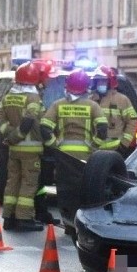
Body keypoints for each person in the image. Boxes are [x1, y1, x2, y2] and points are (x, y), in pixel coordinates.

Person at [42, 69, 108, 233]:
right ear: (86, 87)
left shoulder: (58, 105)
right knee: (82, 190)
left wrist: (55, 145)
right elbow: (102, 129)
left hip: (64, 156)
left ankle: (68, 225)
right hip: (85, 157)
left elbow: (44, 128)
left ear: (68, 86)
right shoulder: (93, 106)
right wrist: (94, 146)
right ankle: (80, 225)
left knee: (65, 191)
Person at [0, 62, 48, 232]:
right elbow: (29, 121)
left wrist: (9, 136)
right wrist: (16, 136)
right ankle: (24, 218)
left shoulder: (8, 97)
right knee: (28, 183)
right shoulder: (33, 98)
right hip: (30, 150)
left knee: (12, 182)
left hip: (14, 150)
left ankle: (8, 217)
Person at [91, 65, 137, 157]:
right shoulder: (91, 100)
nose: (100, 83)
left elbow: (132, 122)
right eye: (98, 81)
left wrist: (124, 145)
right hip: (93, 151)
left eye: (103, 81)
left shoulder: (122, 100)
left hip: (115, 150)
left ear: (109, 82)